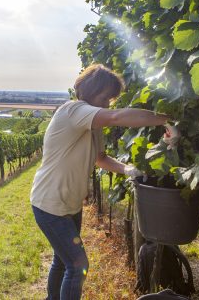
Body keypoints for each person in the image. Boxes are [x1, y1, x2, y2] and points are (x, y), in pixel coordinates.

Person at [30, 64, 179, 300]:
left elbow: (100, 159)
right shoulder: (73, 111)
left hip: (69, 204)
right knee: (77, 266)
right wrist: (164, 120)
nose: (109, 104)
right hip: (50, 205)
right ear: (89, 91)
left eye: (111, 99)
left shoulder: (91, 124)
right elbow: (117, 116)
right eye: (105, 97)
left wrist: (128, 169)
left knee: (62, 260)